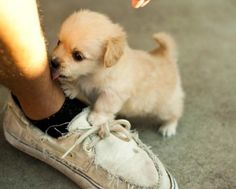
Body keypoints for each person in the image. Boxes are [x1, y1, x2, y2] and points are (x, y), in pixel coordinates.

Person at [0, 0, 179, 188]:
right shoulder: (93, 63)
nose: (56, 56)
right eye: (60, 42)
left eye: (77, 56)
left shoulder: (119, 74)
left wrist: (102, 113)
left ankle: (172, 119)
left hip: (160, 94)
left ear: (109, 56)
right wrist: (76, 85)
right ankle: (42, 111)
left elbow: (113, 95)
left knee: (168, 108)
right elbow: (85, 78)